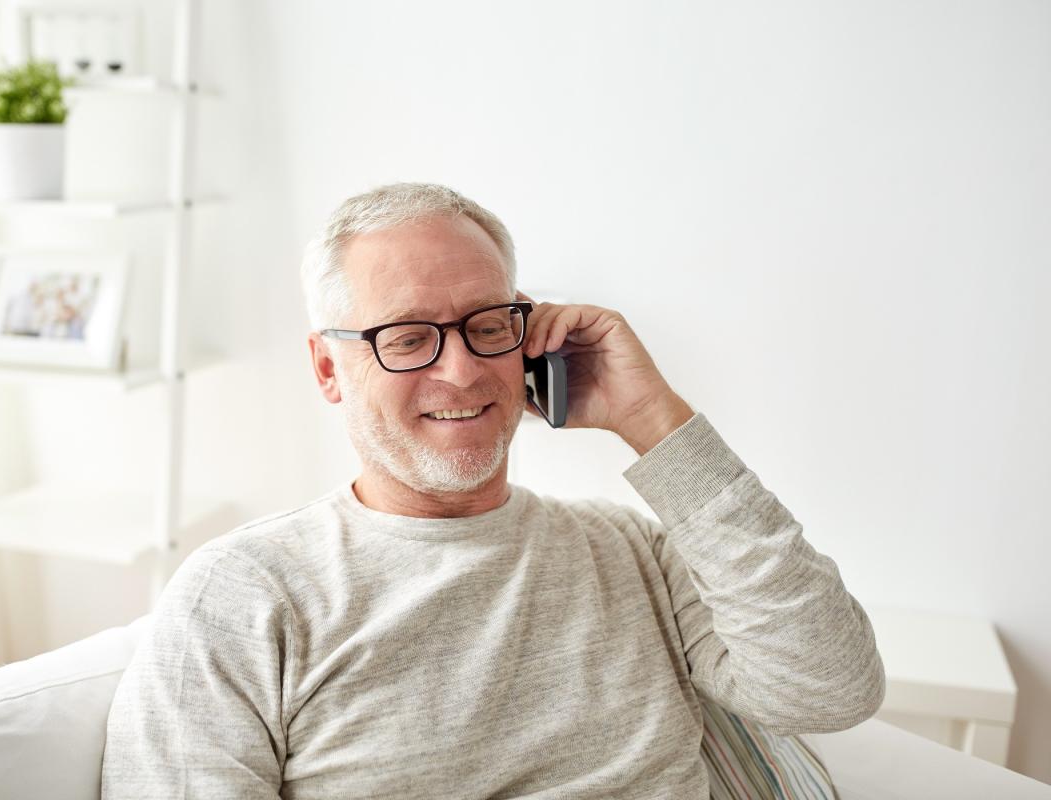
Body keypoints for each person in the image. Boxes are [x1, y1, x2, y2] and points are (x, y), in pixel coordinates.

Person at [101, 182, 885, 799]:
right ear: (329, 369)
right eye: (407, 337)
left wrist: (655, 420)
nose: (462, 369)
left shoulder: (630, 551)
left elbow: (832, 690)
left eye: (487, 324)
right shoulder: (245, 593)